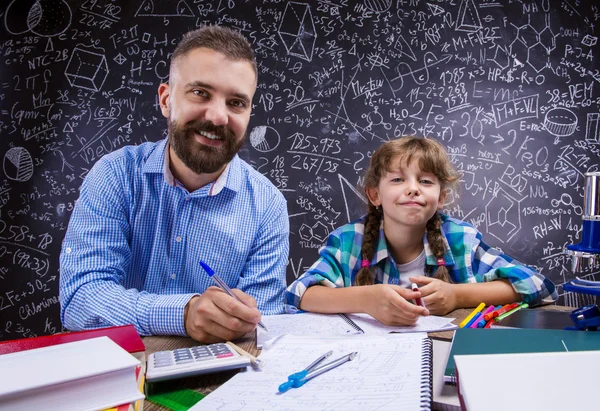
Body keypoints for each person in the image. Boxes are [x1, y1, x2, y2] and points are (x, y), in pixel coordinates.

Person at [59, 26, 289, 343]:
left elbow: (263, 329)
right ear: (166, 100)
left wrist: (245, 320)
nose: (218, 116)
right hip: (120, 372)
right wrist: (183, 314)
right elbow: (80, 300)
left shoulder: (268, 206)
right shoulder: (114, 176)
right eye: (200, 93)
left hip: (218, 379)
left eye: (236, 102)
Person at [284, 136, 557, 325]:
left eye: (425, 180)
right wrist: (367, 299)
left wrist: (456, 295)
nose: (413, 188)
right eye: (398, 179)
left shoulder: (460, 239)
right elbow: (300, 294)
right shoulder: (348, 241)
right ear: (374, 195)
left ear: (441, 198)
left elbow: (538, 286)